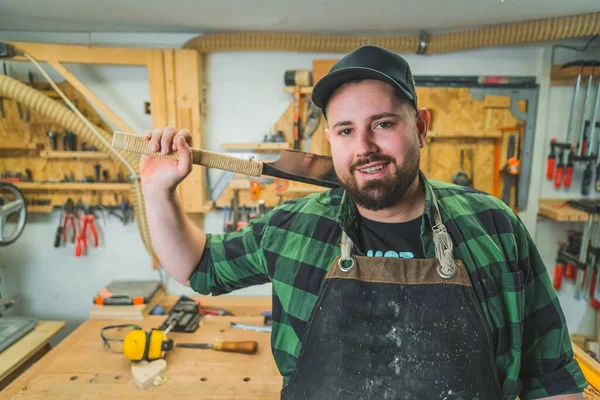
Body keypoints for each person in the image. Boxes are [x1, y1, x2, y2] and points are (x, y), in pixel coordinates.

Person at [139, 45, 587, 399]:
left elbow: (552, 377)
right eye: (346, 130)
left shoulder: (494, 226)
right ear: (330, 139)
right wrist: (159, 191)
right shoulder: (293, 228)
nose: (365, 146)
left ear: (421, 127)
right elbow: (200, 267)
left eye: (383, 123)